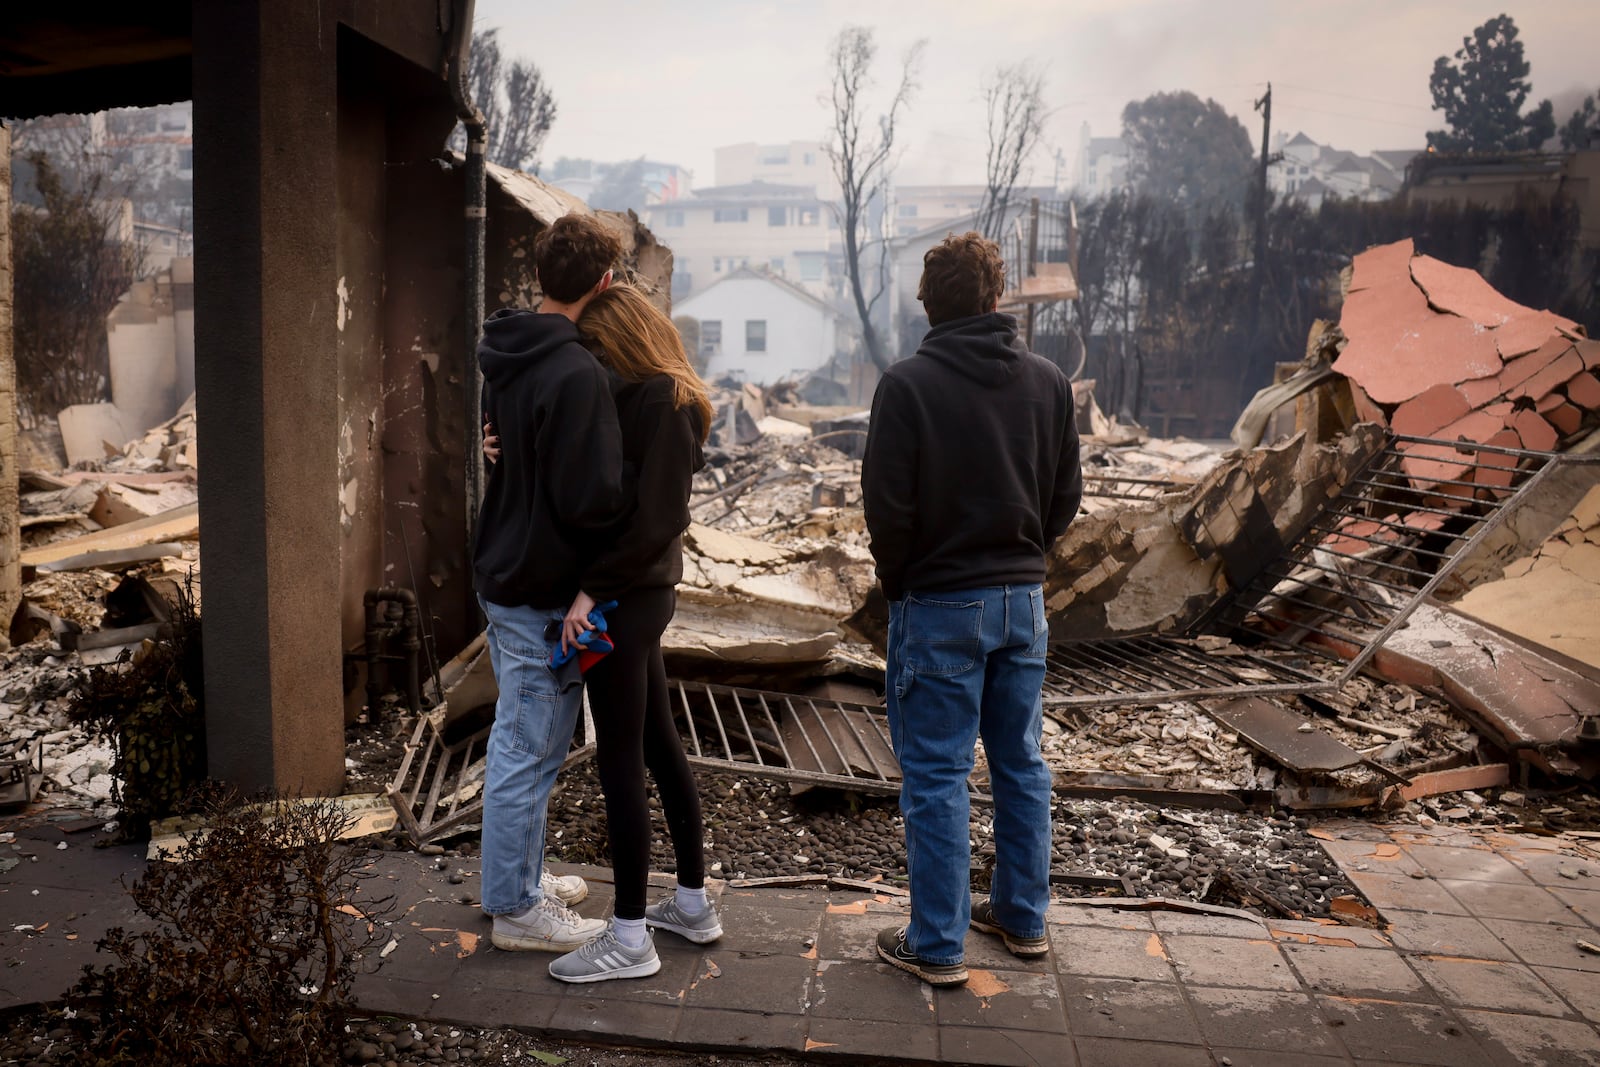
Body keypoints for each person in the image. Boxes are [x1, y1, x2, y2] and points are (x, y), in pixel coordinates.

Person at [860, 231, 1082, 987]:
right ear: (997, 298)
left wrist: (902, 583)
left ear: (931, 305)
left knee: (936, 774)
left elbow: (886, 509)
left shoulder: (907, 385)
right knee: (1021, 762)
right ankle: (1021, 918)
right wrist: (1025, 558)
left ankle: (937, 943)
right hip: (1023, 604)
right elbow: (1065, 499)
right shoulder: (1049, 382)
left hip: (939, 604)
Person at [544, 285, 722, 984]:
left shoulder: (660, 401)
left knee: (619, 760)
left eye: (593, 342)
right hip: (643, 596)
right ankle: (692, 903)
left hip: (626, 599)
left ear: (619, 337)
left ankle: (627, 936)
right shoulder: (652, 396)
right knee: (657, 743)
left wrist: (592, 590)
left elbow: (654, 521)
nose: (587, 356)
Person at [473, 213, 629, 953]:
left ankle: (522, 877)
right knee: (527, 749)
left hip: (501, 572)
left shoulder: (503, 348)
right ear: (603, 284)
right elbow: (593, 501)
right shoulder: (578, 374)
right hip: (541, 590)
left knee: (521, 739)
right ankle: (514, 908)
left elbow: (508, 454)